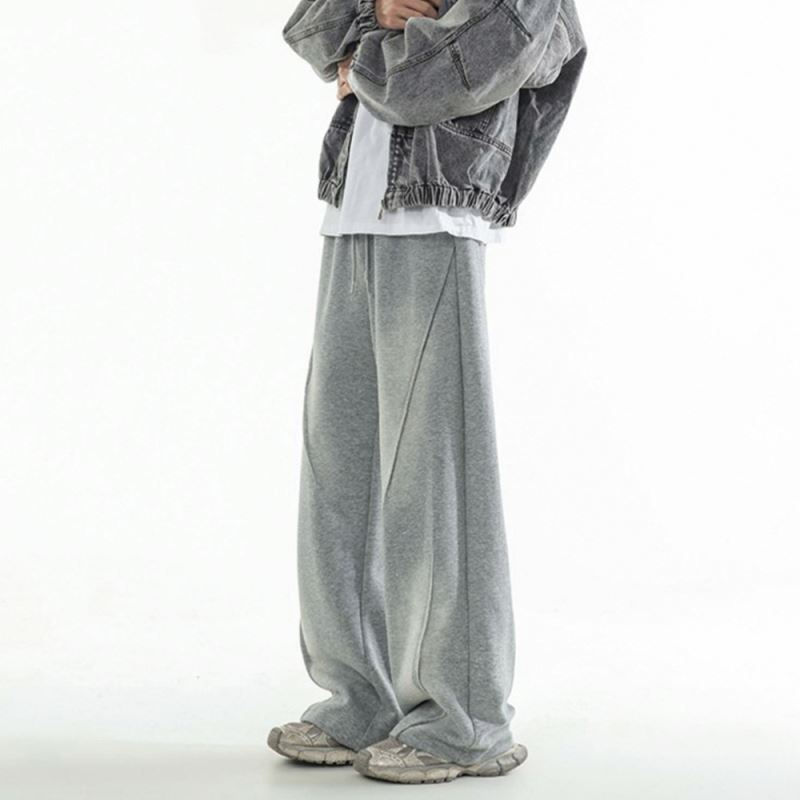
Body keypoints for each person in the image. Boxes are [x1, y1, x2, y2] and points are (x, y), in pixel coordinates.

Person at [268, 0, 586, 785]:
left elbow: (443, 77)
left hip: (439, 217)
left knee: (438, 479)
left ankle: (467, 718)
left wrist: (361, 59)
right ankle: (360, 699)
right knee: (337, 472)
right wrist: (376, 15)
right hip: (352, 214)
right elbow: (307, 24)